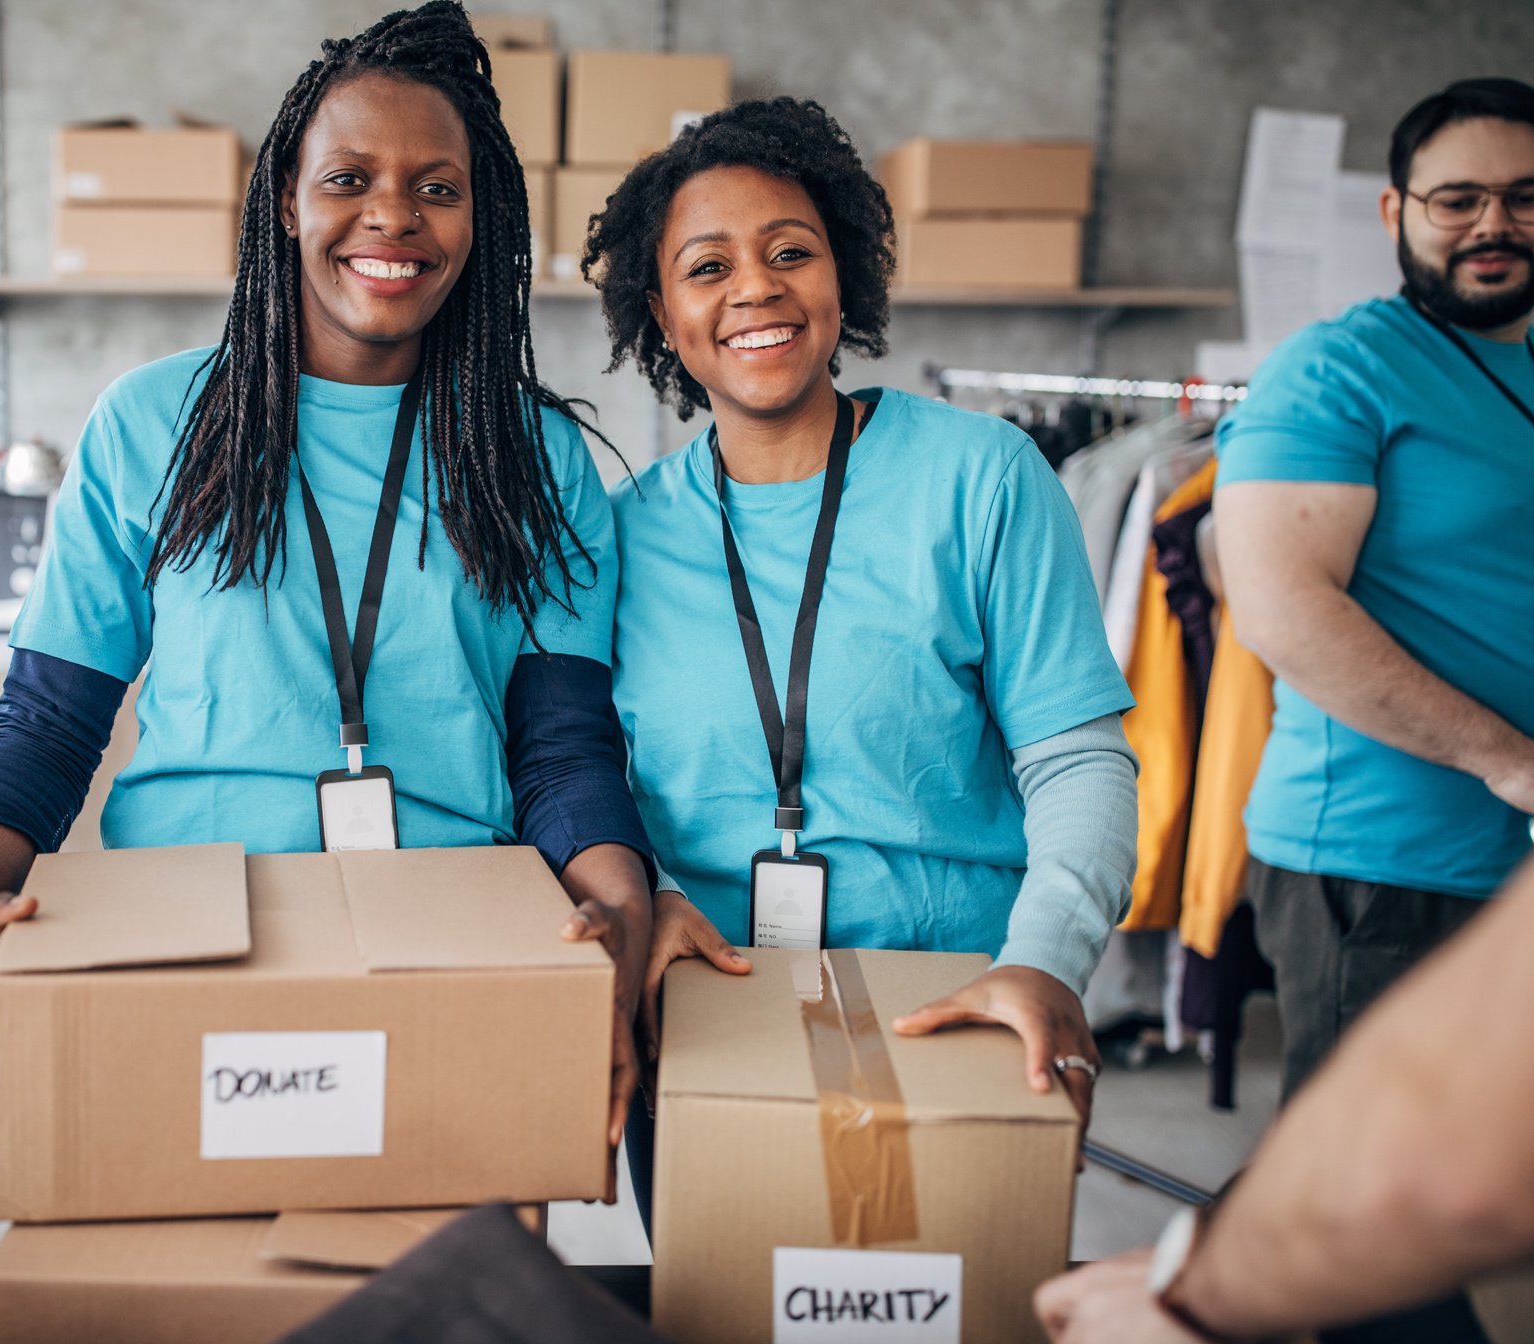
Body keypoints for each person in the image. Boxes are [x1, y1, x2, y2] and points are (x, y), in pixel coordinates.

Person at [0, 1, 653, 1149]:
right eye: (348, 176)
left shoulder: (532, 454)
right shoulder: (153, 422)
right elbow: (52, 725)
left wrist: (615, 920)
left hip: (447, 932)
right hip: (181, 929)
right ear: (285, 200)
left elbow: (560, 749)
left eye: (437, 187)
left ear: (480, 220)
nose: (391, 214)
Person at [584, 99, 1139, 1217]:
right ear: (663, 313)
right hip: (706, 1019)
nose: (756, 288)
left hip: (957, 1007)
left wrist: (1043, 962)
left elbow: (1079, 763)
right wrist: (645, 892)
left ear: (844, 276)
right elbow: (592, 778)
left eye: (792, 251)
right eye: (708, 266)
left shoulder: (983, 478)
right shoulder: (620, 533)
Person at [1213, 77, 1534, 1104]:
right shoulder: (1336, 372)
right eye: (1460, 199)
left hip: (1504, 866)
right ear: (1397, 212)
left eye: (1527, 197)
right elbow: (1280, 608)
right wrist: (1511, 763)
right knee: (1364, 1229)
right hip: (1382, 866)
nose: (1496, 224)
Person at [1034, 858, 1534, 1344]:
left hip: (1398, 862)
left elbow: (1429, 1169)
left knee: (1373, 1260)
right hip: (1369, 854)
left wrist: (1190, 1293)